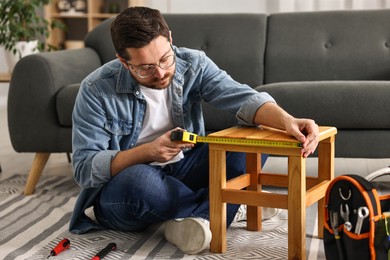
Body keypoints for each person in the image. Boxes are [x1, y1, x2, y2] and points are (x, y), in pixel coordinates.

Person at [69, 6, 319, 255]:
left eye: (165, 58)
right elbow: (84, 168)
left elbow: (242, 98)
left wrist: (288, 120)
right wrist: (147, 153)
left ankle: (200, 218)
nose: (161, 72)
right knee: (139, 183)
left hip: (185, 166)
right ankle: (228, 203)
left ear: (170, 39)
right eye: (145, 68)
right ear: (123, 61)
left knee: (258, 137)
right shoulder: (96, 89)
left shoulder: (192, 62)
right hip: (129, 187)